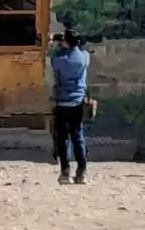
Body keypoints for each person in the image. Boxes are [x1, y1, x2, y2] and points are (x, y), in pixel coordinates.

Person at [50, 28, 90, 184]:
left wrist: (54, 43)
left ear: (65, 42)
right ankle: (82, 172)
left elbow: (52, 62)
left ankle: (65, 171)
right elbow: (82, 51)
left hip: (63, 102)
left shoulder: (60, 59)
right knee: (78, 136)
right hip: (78, 101)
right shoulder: (84, 57)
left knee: (63, 138)